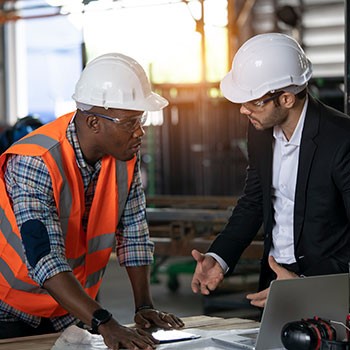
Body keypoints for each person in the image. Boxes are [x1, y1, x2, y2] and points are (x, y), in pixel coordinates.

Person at [0, 53, 184, 349]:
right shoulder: (35, 160)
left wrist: (143, 307)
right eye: (131, 122)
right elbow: (45, 258)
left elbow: (134, 233)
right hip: (9, 306)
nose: (140, 131)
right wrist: (105, 323)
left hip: (70, 306)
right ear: (94, 122)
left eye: (142, 119)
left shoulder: (125, 157)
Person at [191, 33, 350, 308]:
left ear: (286, 99)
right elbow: (253, 201)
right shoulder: (261, 132)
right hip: (274, 282)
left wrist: (306, 282)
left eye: (253, 102)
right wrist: (219, 256)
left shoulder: (341, 140)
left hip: (327, 285)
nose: (243, 110)